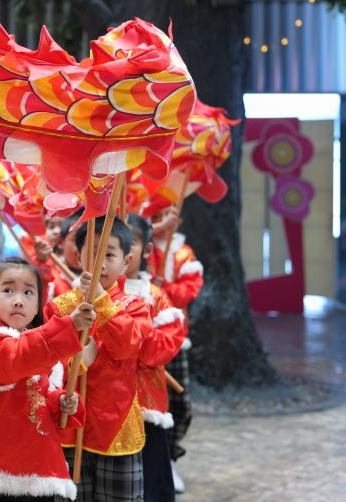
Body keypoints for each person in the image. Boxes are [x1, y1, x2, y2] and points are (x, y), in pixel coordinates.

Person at [0, 257, 95, 501]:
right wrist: (68, 326)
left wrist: (61, 402)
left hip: (33, 470)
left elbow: (39, 396)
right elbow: (16, 358)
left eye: (28, 292)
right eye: (8, 290)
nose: (18, 300)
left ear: (37, 306)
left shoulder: (36, 343)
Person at [45, 218, 151, 502]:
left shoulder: (135, 306)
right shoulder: (60, 307)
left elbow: (128, 346)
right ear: (77, 257)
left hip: (115, 428)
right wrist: (75, 363)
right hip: (69, 426)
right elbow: (48, 364)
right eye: (92, 254)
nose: (100, 263)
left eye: (109, 255)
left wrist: (101, 300)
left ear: (126, 262)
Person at [123, 215, 186, 502]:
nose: (123, 250)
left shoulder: (156, 297)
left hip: (145, 402)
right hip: (101, 408)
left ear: (147, 249)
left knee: (150, 483)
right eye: (111, 246)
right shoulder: (95, 294)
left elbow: (163, 348)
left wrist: (126, 332)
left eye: (131, 242)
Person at [148, 206, 203, 492]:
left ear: (179, 220)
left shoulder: (184, 253)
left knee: (179, 402)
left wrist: (164, 286)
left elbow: (188, 291)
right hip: (146, 338)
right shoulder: (143, 246)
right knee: (152, 403)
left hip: (174, 337)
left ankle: (171, 458)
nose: (163, 219)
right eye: (157, 214)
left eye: (169, 214)